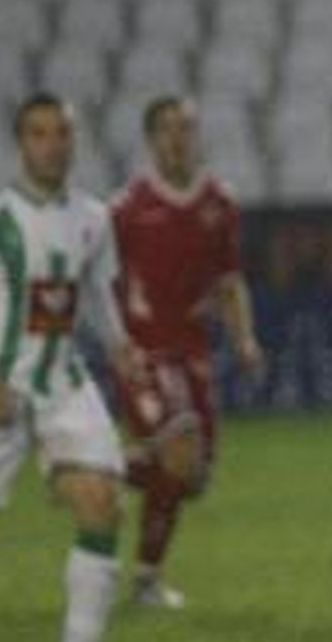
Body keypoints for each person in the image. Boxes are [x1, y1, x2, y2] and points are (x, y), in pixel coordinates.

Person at [0, 93, 142, 642]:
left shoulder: (94, 217)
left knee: (102, 502)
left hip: (63, 384)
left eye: (62, 132)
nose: (53, 144)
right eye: (39, 133)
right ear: (21, 143)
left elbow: (95, 292)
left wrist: (119, 346)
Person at [110, 96, 264, 609]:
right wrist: (115, 343)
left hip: (193, 351)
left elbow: (228, 280)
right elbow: (99, 283)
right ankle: (145, 577)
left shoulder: (219, 203)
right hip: (146, 352)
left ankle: (100, 469)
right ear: (151, 138)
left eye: (188, 128)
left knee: (191, 476)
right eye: (170, 129)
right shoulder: (127, 209)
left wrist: (243, 337)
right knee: (180, 450)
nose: (180, 138)